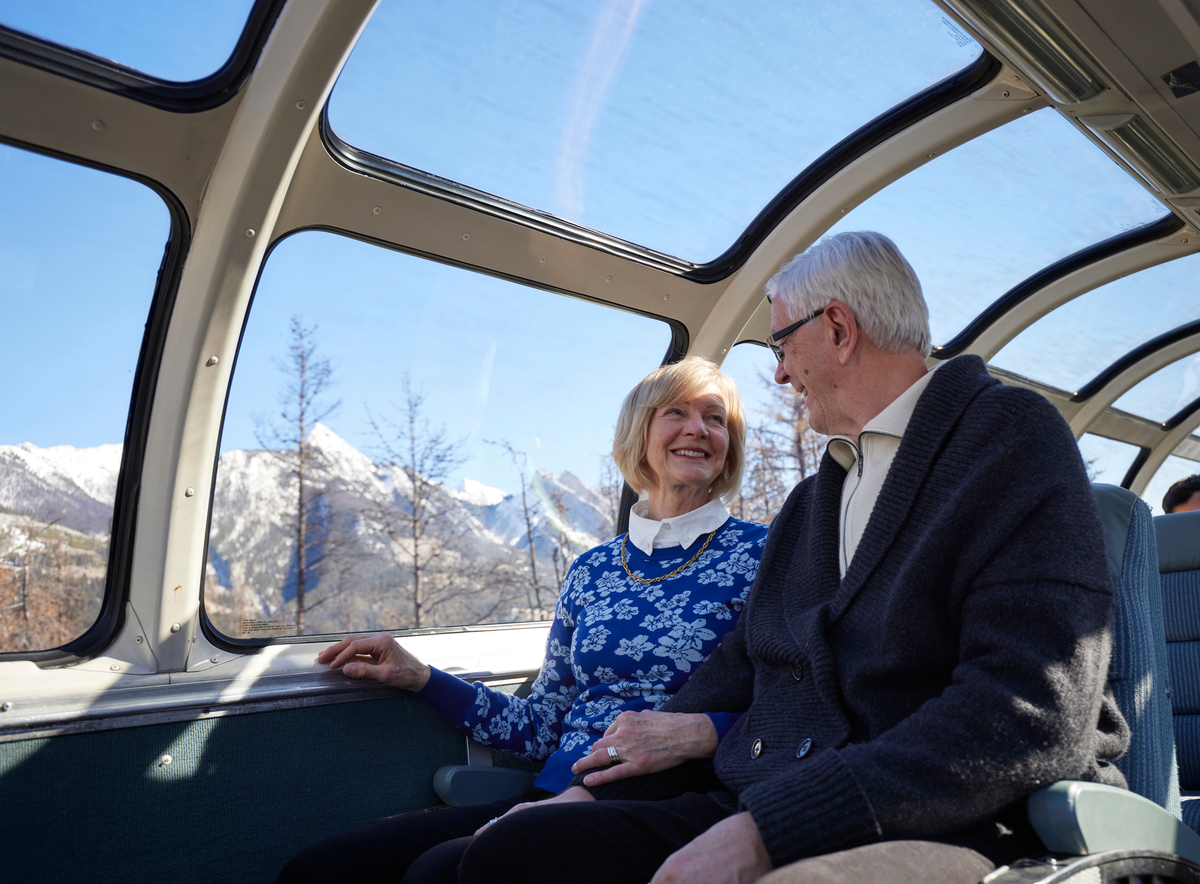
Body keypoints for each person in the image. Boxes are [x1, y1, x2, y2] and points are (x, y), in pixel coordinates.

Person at [437, 231, 1128, 884]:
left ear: (837, 329)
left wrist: (769, 830)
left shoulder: (1006, 441)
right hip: (784, 792)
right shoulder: (813, 502)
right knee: (515, 852)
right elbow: (746, 663)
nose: (776, 374)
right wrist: (586, 796)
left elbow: (1029, 709)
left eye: (781, 344)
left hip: (960, 813)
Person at [277, 356, 768, 883]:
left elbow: (795, 710)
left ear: (730, 445)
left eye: (716, 419)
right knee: (326, 868)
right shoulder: (593, 568)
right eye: (676, 412)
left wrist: (703, 732)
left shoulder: (766, 555)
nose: (698, 429)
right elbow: (542, 725)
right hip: (555, 790)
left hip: (667, 795)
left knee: (436, 873)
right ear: (640, 434)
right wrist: (418, 676)